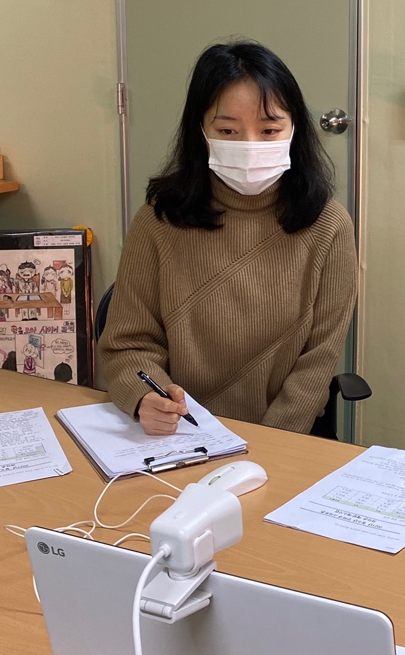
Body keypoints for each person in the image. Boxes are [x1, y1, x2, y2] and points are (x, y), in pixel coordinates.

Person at [99, 40, 357, 435]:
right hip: (181, 434)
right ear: (200, 131)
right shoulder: (157, 221)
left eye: (269, 130)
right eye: (227, 130)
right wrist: (146, 397)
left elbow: (317, 364)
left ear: (294, 130)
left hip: (286, 436)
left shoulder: (329, 225)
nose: (250, 146)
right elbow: (127, 344)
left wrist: (270, 444)